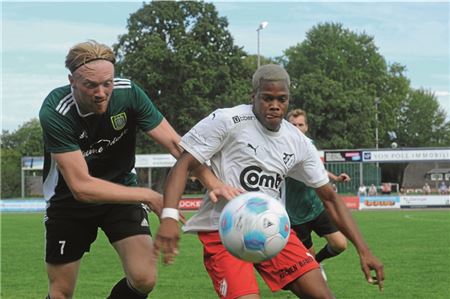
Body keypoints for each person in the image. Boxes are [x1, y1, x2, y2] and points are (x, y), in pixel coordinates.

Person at [155, 64, 384, 299]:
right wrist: (170, 216)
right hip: (223, 231)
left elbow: (330, 198)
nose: (275, 105)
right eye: (267, 98)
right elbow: (183, 163)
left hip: (271, 229)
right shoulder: (227, 120)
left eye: (281, 99)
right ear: (253, 96)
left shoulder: (298, 142)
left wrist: (364, 251)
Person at [39, 40, 211, 299]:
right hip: (69, 202)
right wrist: (150, 196)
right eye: (91, 85)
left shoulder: (129, 93)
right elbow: (81, 187)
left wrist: (215, 183)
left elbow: (178, 145)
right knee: (61, 292)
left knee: (144, 279)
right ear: (72, 80)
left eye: (107, 83)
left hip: (121, 192)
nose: (101, 92)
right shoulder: (56, 111)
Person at [285, 108, 350, 281]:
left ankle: (318, 261)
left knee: (340, 244)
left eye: (300, 124)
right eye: (293, 125)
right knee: (308, 259)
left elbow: (316, 169)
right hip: (295, 214)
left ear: (306, 127)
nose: (297, 128)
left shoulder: (309, 145)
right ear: (286, 126)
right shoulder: (279, 147)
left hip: (316, 206)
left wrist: (335, 178)